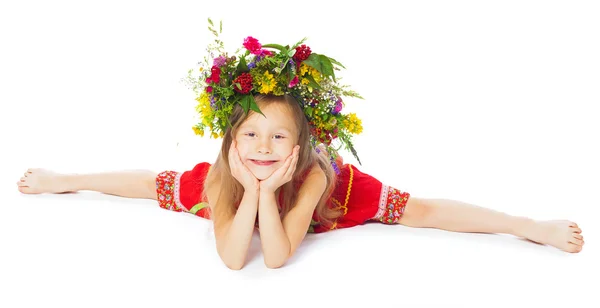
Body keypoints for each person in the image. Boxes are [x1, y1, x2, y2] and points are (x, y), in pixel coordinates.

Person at [16, 23, 584, 270]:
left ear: (303, 141)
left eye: (278, 136)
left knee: (421, 212)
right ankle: (64, 178)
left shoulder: (315, 178)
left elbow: (281, 254)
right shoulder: (219, 179)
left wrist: (275, 187)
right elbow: (236, 259)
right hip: (240, 188)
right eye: (251, 136)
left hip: (315, 196)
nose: (263, 147)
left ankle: (526, 225)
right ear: (231, 141)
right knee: (149, 186)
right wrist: (249, 186)